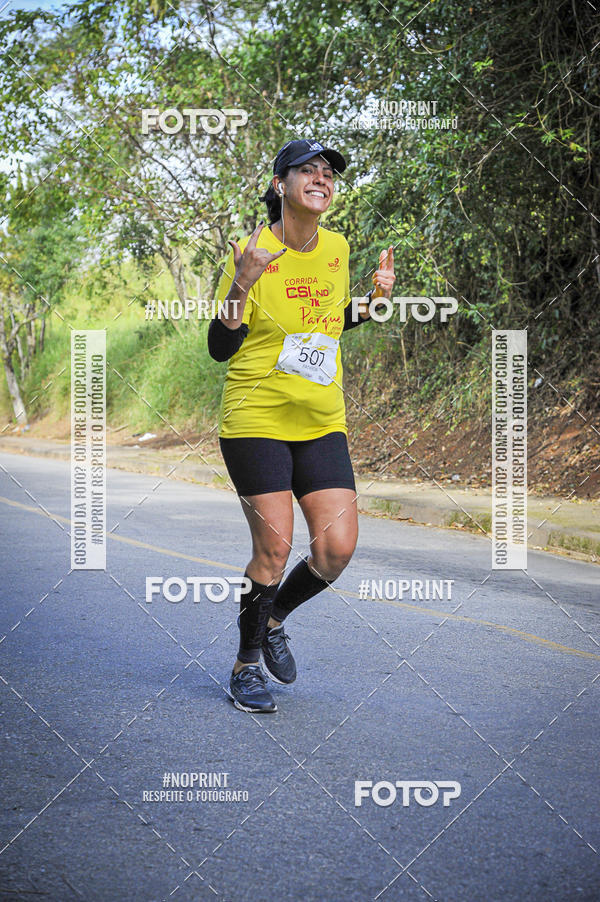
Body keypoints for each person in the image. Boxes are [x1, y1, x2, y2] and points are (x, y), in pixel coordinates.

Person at [207, 138, 396, 713]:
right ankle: (245, 667)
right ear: (279, 186)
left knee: (336, 549)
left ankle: (274, 619)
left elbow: (328, 323)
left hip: (320, 420)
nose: (320, 178)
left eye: (327, 173)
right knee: (275, 548)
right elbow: (220, 345)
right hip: (256, 419)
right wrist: (242, 282)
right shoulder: (251, 250)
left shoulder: (336, 248)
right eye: (306, 171)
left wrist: (373, 301)